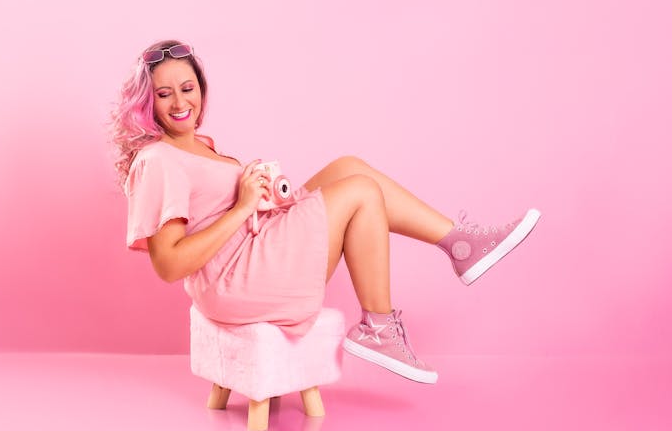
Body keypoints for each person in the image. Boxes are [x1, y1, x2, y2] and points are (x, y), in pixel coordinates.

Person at [111, 39, 541, 385]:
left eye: (188, 88)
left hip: (255, 250)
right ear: (148, 102)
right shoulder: (158, 160)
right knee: (359, 192)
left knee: (348, 167)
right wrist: (242, 207)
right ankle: (378, 325)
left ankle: (459, 243)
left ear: (202, 91)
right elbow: (169, 265)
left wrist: (259, 195)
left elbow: (226, 211)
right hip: (236, 281)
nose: (179, 102)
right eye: (164, 94)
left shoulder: (199, 145)